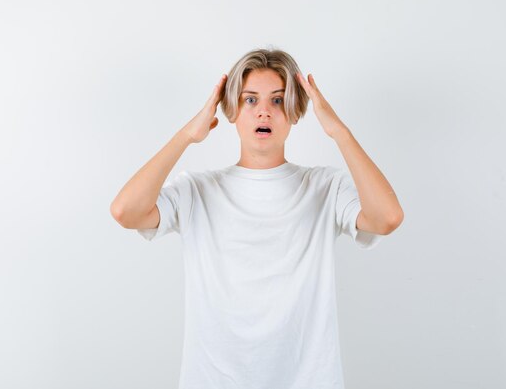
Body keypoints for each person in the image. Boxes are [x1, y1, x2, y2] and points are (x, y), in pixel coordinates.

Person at [110, 47, 404, 389]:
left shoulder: (324, 187)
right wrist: (187, 136)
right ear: (232, 109)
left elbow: (387, 217)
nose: (264, 111)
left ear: (295, 111)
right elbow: (125, 211)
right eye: (250, 100)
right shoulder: (198, 191)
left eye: (278, 101)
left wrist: (339, 132)